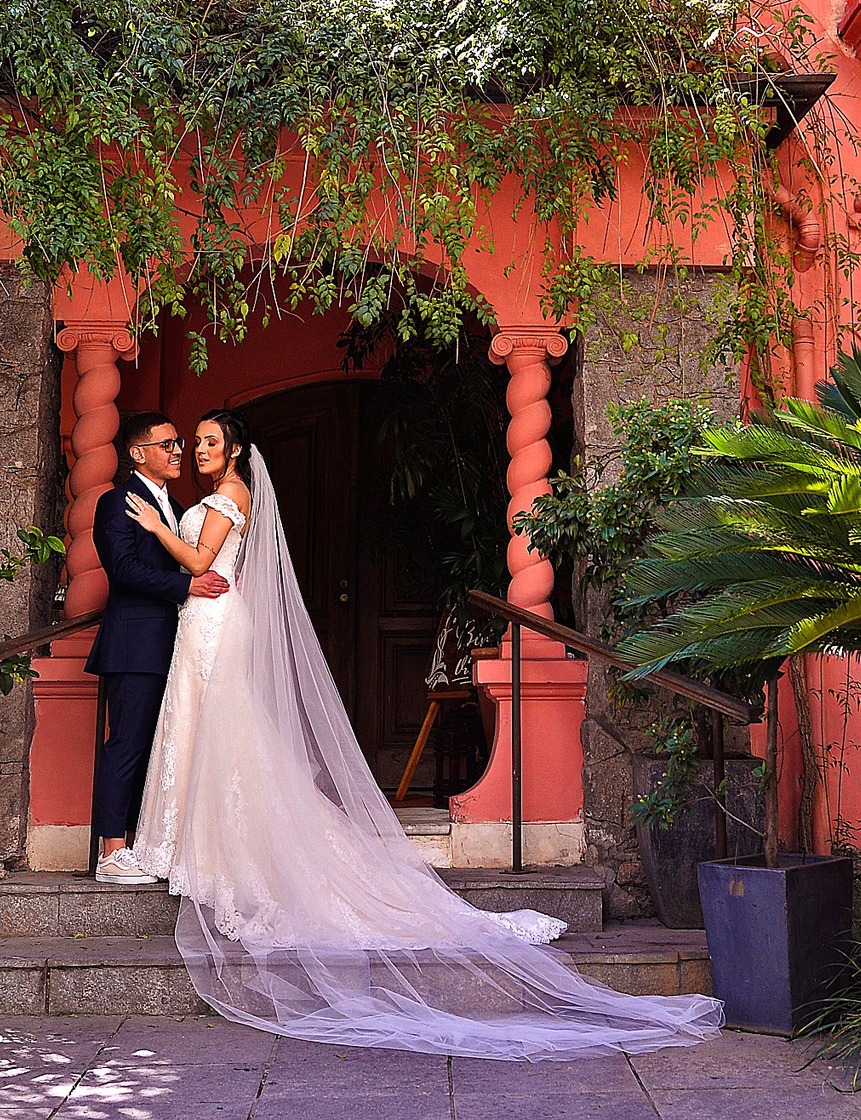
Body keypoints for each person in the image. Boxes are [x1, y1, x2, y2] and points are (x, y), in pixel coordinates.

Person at [116, 412, 724, 1059]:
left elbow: (204, 559)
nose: (202, 450)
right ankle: (195, 841)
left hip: (213, 620)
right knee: (214, 738)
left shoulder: (227, 495)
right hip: (202, 621)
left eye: (212, 442)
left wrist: (157, 528)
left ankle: (222, 850)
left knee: (230, 742)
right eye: (198, 441)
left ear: (235, 450)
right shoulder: (214, 496)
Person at [84, 411, 228, 884]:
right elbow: (123, 570)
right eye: (166, 445)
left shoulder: (176, 505)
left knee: (161, 748)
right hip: (135, 643)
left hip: (176, 644)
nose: (177, 452)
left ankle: (145, 844)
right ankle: (111, 852)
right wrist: (186, 585)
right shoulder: (116, 502)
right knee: (127, 743)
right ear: (137, 453)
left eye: (178, 443)